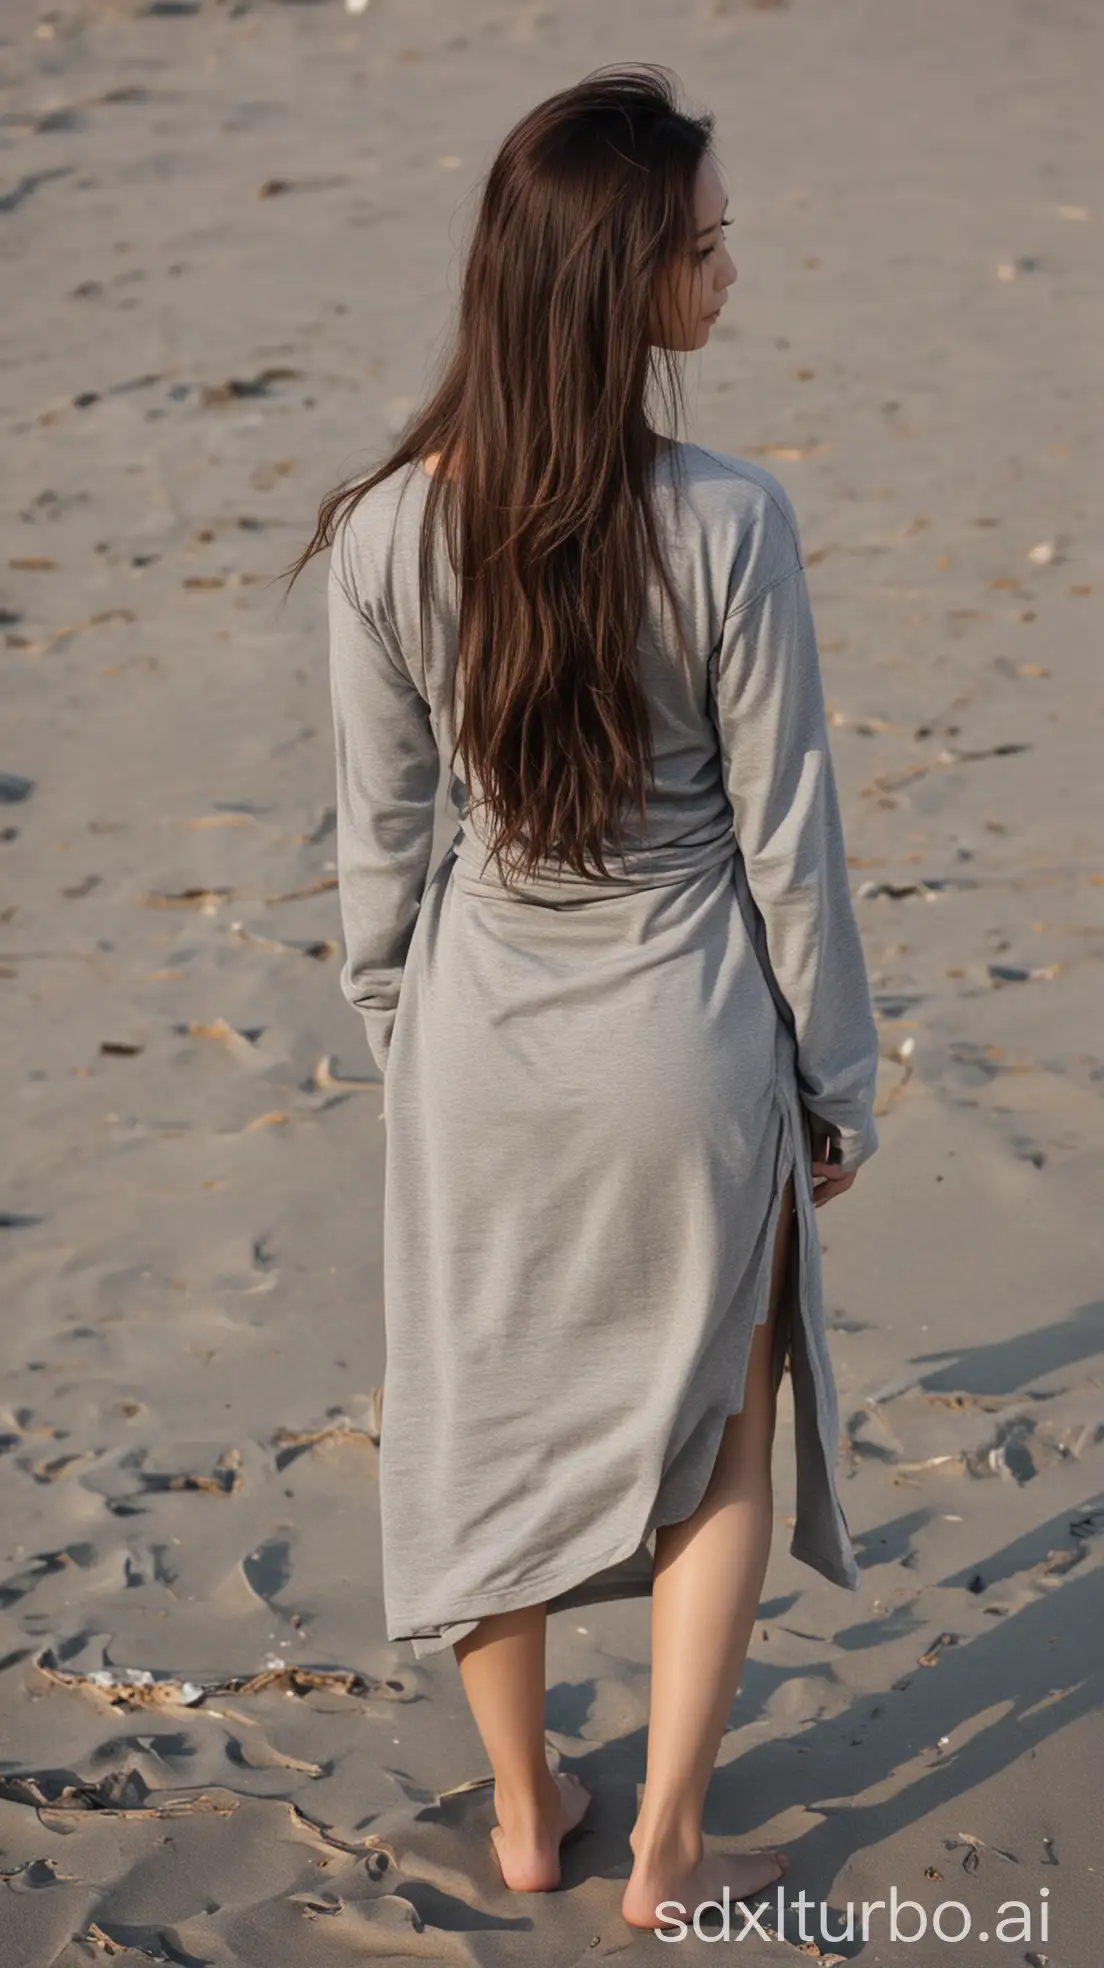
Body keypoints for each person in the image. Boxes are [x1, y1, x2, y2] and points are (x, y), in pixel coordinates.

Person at [285, 63, 880, 1934]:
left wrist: (410, 1048)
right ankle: (671, 1849)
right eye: (706, 247)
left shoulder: (384, 532)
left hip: (479, 1039)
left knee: (480, 1420)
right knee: (719, 1431)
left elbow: (380, 856)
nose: (731, 274)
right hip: (687, 1042)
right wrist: (834, 1078)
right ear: (624, 285)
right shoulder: (727, 520)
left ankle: (531, 1811)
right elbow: (787, 836)